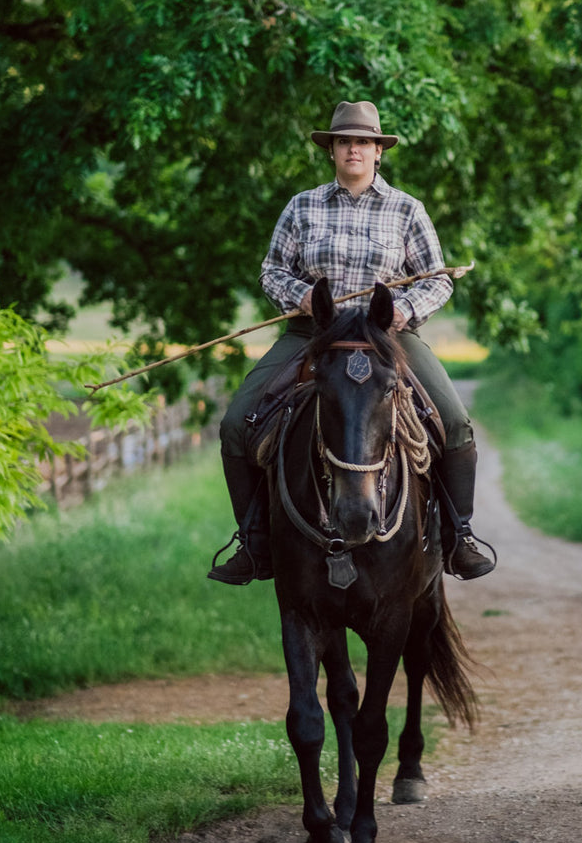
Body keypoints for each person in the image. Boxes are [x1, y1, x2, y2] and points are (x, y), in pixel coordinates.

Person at [208, 99, 496, 585]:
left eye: (363, 141)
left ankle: (459, 536)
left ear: (378, 151)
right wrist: (302, 297)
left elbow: (438, 280)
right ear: (333, 150)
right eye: (345, 141)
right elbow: (272, 270)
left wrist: (404, 310)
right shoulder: (302, 206)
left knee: (453, 421)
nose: (354, 150)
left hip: (387, 338)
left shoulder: (407, 209)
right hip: (314, 334)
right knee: (238, 422)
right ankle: (254, 542)